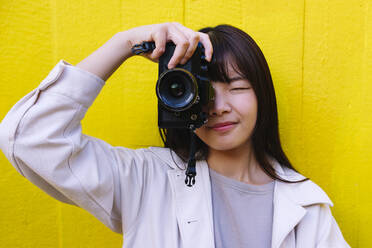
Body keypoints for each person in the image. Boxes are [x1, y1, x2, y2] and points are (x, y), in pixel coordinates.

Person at [0, 22, 350, 248]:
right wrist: (124, 43)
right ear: (182, 101)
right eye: (203, 92)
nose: (219, 106)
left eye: (237, 87)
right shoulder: (146, 180)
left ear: (262, 95)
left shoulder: (306, 206)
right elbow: (30, 137)